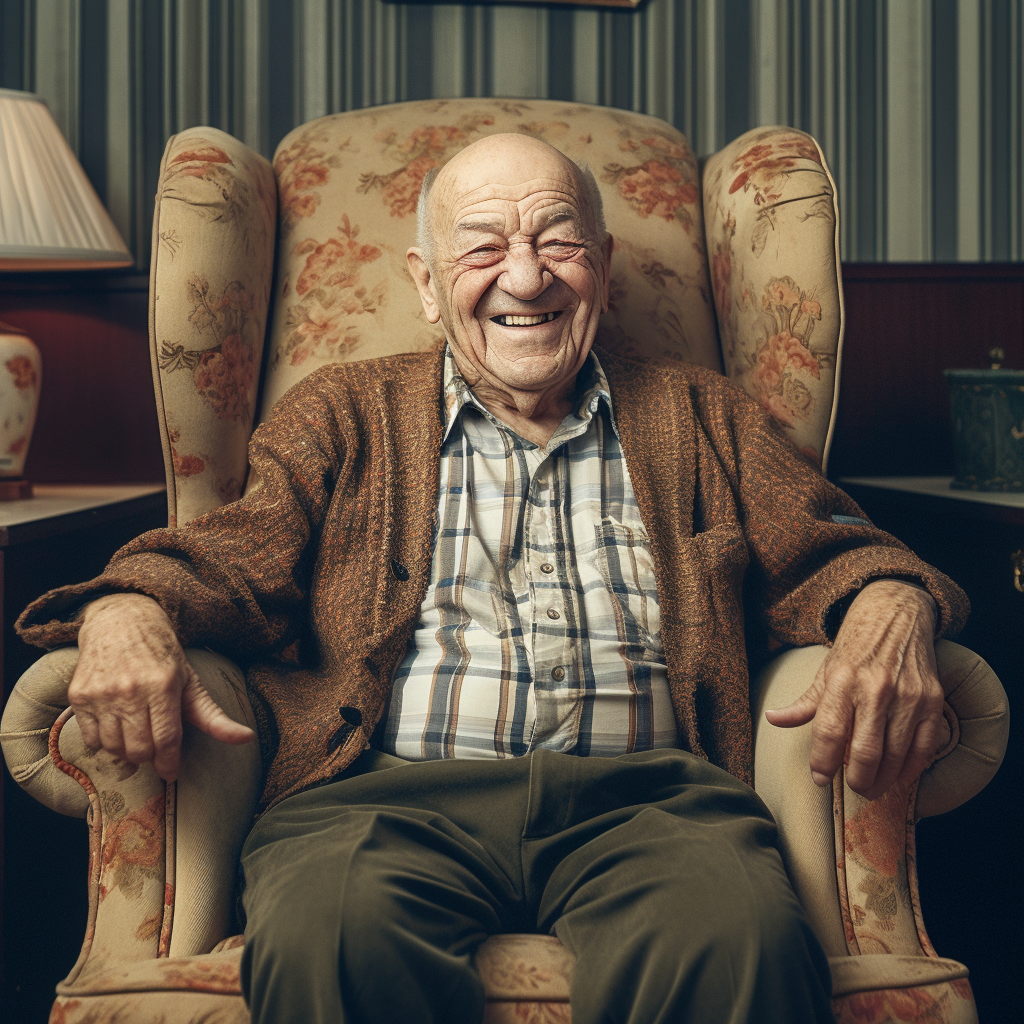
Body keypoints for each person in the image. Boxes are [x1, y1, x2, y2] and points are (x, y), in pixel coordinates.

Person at [18, 134, 966, 1024]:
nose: (525, 276)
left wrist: (890, 601)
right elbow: (230, 561)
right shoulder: (341, 414)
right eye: (483, 247)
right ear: (425, 286)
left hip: (654, 802)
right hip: (380, 799)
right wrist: (127, 608)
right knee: (331, 933)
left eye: (558, 240)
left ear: (602, 263)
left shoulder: (701, 414)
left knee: (740, 943)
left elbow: (833, 545)